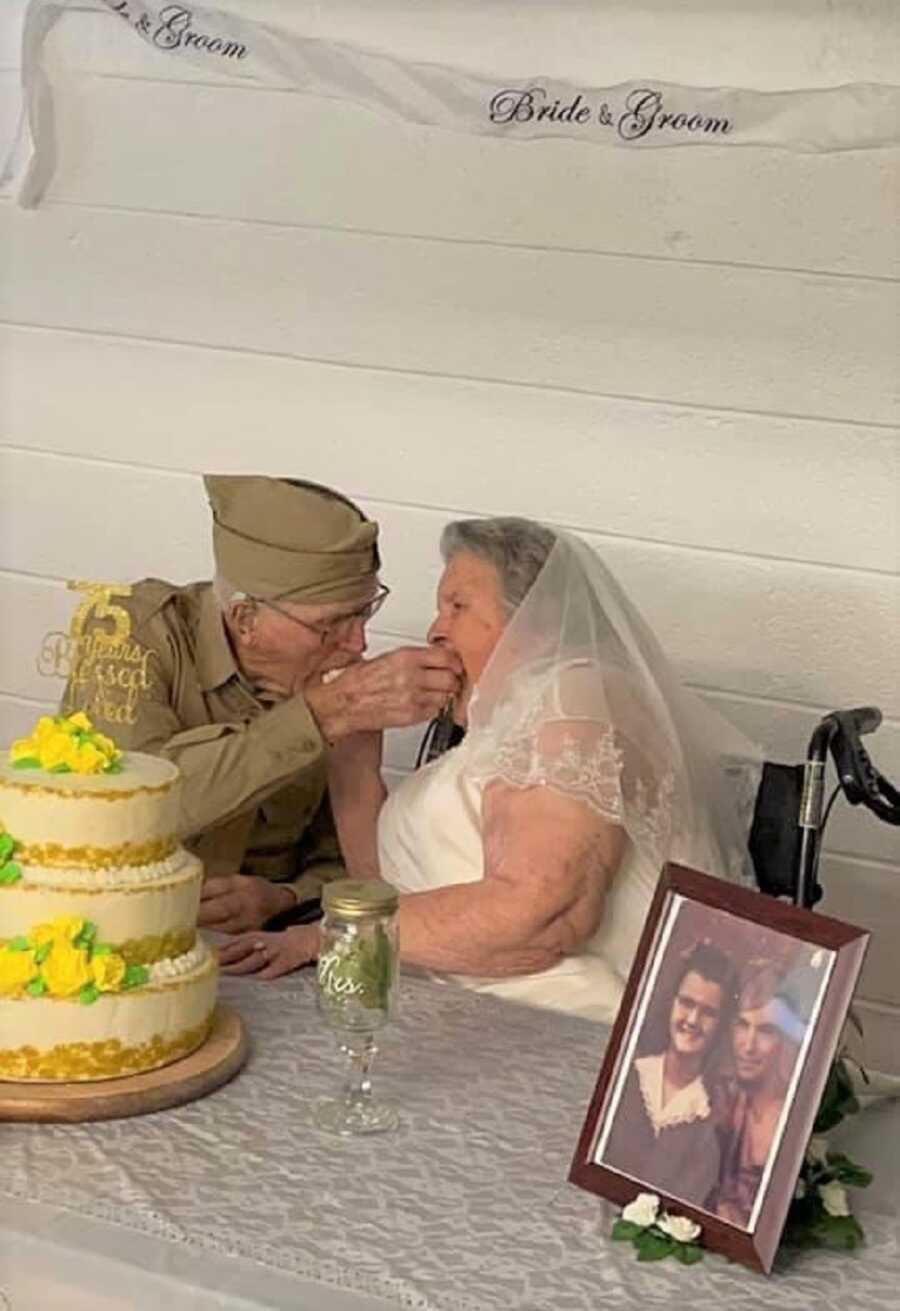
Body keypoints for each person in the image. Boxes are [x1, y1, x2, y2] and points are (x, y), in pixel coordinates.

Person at [221, 518, 760, 1018]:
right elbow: (396, 895)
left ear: (538, 621)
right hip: (454, 1016)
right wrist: (355, 754)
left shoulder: (574, 696)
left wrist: (331, 934)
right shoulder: (504, 728)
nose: (436, 629)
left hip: (574, 1031)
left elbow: (542, 914)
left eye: (458, 606)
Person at [62, 475, 462, 936]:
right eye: (331, 624)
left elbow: (347, 862)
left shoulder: (337, 685)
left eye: (364, 613)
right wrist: (324, 714)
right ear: (245, 618)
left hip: (253, 951)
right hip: (99, 931)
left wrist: (285, 897)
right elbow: (127, 803)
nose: (358, 643)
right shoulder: (125, 631)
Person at [599, 942, 738, 1207]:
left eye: (708, 1012)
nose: (693, 1020)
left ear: (721, 1024)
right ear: (670, 1003)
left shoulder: (713, 1114)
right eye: (686, 1003)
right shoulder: (626, 1075)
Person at [715, 963, 805, 1226]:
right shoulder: (726, 1101)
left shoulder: (792, 1115)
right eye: (742, 1025)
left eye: (766, 1031)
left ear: (785, 1041)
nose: (748, 1046)